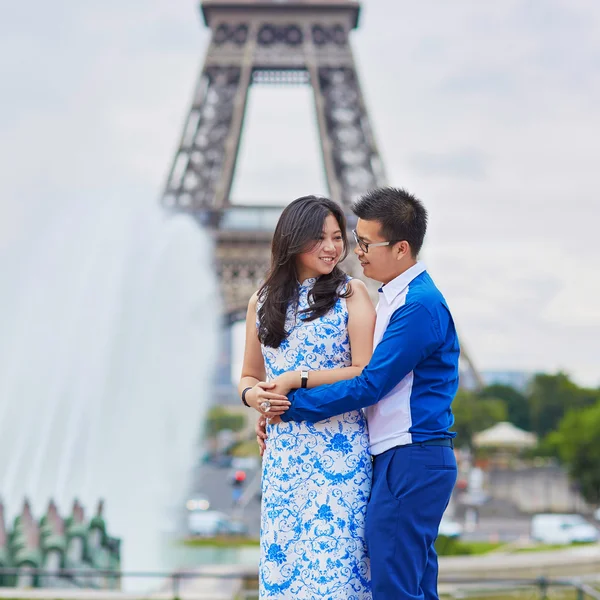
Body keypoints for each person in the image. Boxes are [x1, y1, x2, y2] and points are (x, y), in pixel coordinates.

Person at [257, 187, 460, 600]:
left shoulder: (417, 306)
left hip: (412, 454)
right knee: (411, 580)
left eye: (364, 243)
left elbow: (370, 384)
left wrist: (289, 405)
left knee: (394, 584)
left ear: (401, 248)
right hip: (401, 453)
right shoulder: (394, 298)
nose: (356, 251)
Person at [238, 195, 376, 599]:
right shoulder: (260, 302)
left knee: (338, 576)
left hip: (340, 455)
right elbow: (248, 376)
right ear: (293, 240)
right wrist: (256, 399)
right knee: (288, 576)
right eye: (320, 238)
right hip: (285, 459)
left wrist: (296, 379)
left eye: (337, 237)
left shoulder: (353, 293)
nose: (332, 247)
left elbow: (366, 374)